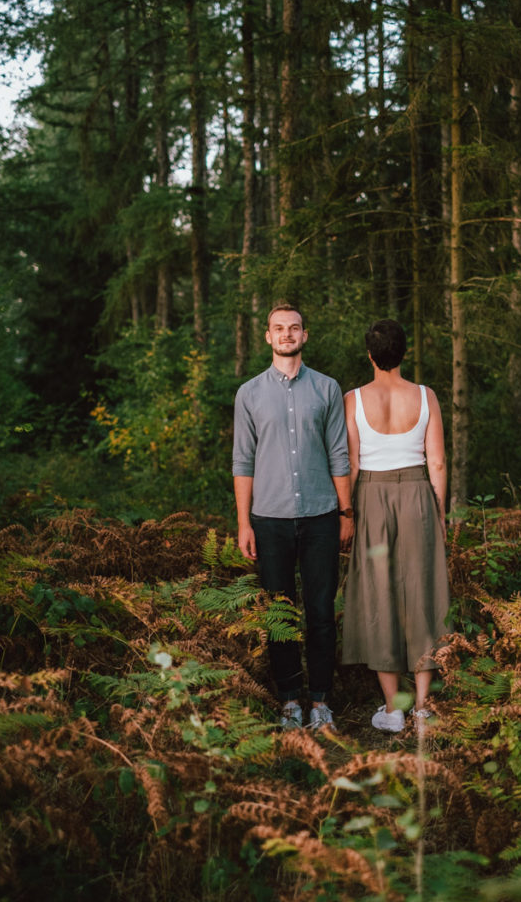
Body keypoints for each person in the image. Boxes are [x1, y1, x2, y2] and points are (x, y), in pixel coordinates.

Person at [232, 304, 354, 732]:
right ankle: (289, 701)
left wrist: (345, 512)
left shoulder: (327, 389)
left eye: (294, 328)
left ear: (305, 334)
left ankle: (320, 701)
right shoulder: (248, 393)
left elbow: (339, 453)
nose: (287, 334)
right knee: (279, 613)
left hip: (321, 515)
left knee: (320, 611)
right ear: (267, 336)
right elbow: (242, 461)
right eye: (279, 329)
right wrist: (244, 523)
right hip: (269, 518)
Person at [341, 319, 449, 733]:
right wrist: (439, 513)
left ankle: (393, 709)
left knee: (378, 594)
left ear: (369, 355)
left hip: (371, 498)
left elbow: (350, 464)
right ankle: (423, 707)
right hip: (418, 496)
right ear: (404, 352)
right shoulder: (425, 396)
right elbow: (436, 462)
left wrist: (346, 514)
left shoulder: (353, 400)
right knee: (422, 590)